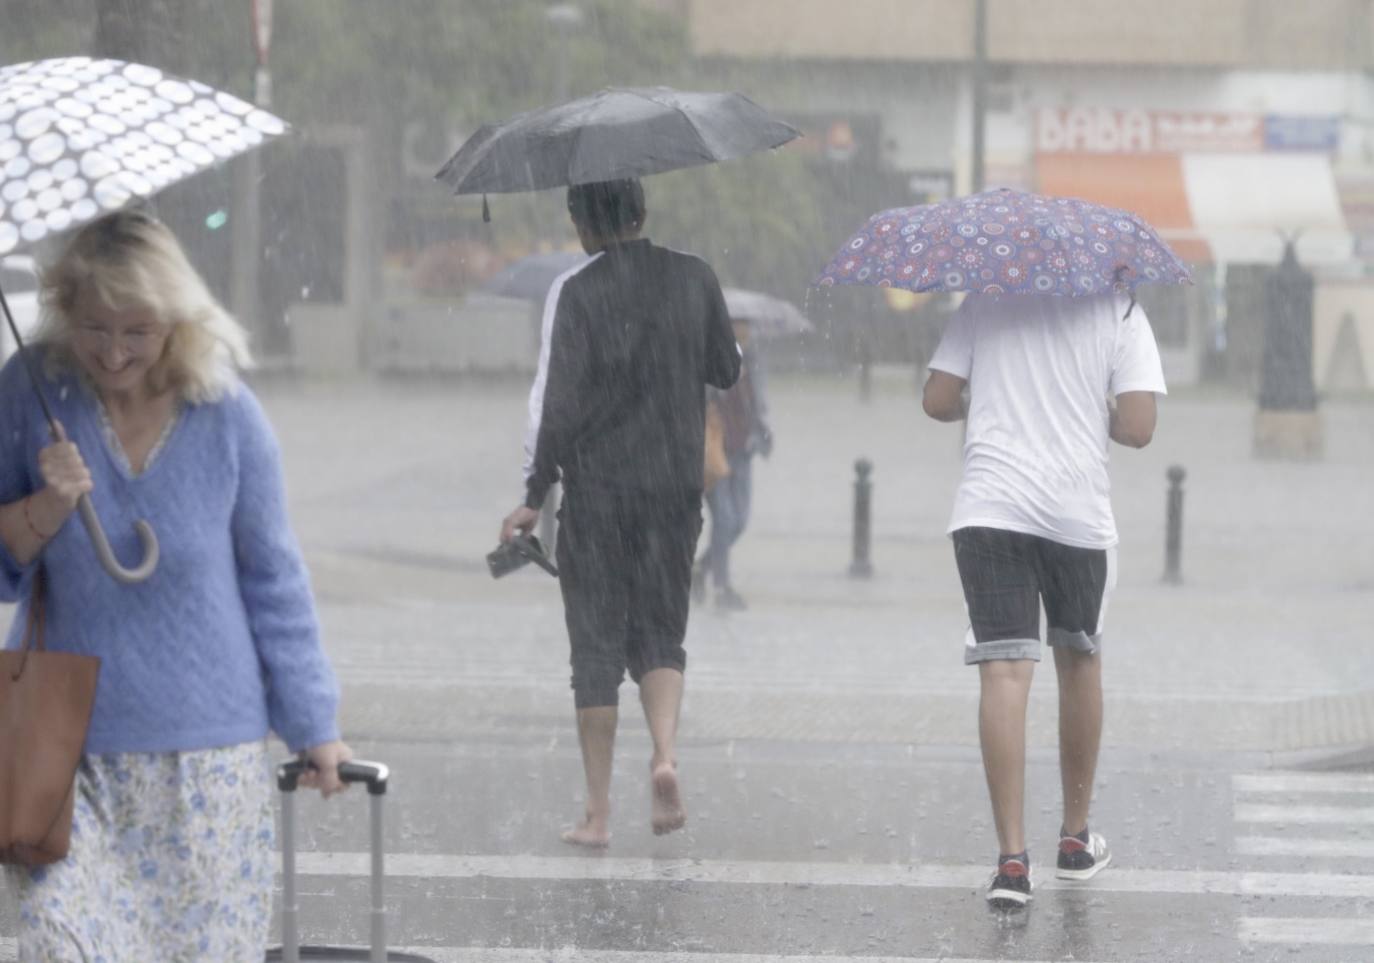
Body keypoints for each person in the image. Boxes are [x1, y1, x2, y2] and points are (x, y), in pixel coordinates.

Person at [0, 209, 351, 960]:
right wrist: (46, 505)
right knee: (62, 945)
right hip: (66, 757)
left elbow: (274, 578)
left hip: (208, 765)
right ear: (64, 308)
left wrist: (314, 721)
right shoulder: (31, 392)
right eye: (95, 327)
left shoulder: (226, 415)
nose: (116, 351)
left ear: (176, 319)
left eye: (138, 329)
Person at [501, 178, 740, 847]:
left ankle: (599, 812)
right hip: (671, 491)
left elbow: (558, 404)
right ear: (642, 213)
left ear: (582, 222)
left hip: (598, 494)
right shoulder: (695, 277)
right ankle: (664, 754)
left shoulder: (577, 292)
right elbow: (725, 369)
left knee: (596, 650)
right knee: (663, 633)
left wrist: (533, 492)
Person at [921, 290, 1165, 909]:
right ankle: (1076, 840)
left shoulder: (985, 302)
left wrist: (987, 402)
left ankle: (1011, 861)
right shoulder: (1121, 311)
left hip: (990, 507)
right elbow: (1138, 427)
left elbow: (937, 399)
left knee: (1003, 674)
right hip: (1074, 514)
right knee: (1079, 661)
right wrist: (1091, 410)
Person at [695, 318, 772, 610]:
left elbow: (760, 404)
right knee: (724, 519)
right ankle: (722, 587)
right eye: (740, 325)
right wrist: (723, 374)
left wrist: (763, 433)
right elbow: (700, 398)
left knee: (739, 521)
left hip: (744, 449)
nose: (746, 331)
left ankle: (702, 568)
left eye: (748, 326)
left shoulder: (754, 362)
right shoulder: (708, 356)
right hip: (716, 451)